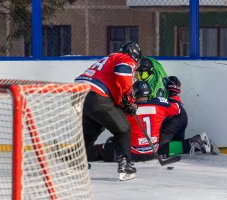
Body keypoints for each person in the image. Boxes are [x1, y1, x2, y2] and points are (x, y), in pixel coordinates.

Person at [90, 79, 219, 163]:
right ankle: (195, 142)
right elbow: (178, 108)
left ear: (134, 94)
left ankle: (80, 154)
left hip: (134, 154)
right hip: (153, 152)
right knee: (165, 148)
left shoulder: (126, 110)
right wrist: (174, 92)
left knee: (104, 149)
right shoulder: (159, 104)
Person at [74, 41, 142, 180]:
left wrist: (122, 102)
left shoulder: (109, 58)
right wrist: (129, 98)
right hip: (97, 96)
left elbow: (110, 84)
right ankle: (125, 166)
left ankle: (77, 162)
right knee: (122, 128)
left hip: (80, 95)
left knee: (92, 129)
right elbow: (122, 72)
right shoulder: (125, 58)